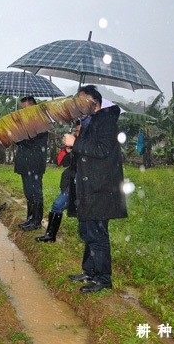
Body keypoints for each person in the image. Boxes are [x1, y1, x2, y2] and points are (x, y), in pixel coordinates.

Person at [64, 85, 127, 293]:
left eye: (82, 101)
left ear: (94, 102)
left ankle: (103, 279)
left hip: (101, 188)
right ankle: (90, 271)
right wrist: (73, 146)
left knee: (98, 233)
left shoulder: (106, 120)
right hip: (89, 187)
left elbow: (102, 150)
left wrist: (77, 143)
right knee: (87, 230)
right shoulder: (89, 122)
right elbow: (87, 153)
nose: (79, 106)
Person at [35, 121, 81, 243]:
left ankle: (51, 235)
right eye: (76, 130)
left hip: (79, 183)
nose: (77, 133)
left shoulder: (85, 145)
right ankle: (51, 235)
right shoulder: (77, 144)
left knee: (58, 205)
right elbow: (61, 162)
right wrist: (68, 150)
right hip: (72, 181)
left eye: (78, 130)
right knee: (60, 206)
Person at [14, 96, 49, 231]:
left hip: (35, 164)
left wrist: (20, 135)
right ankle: (29, 219)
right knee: (28, 193)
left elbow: (32, 141)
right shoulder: (24, 122)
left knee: (35, 192)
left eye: (26, 108)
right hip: (24, 163)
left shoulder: (41, 122)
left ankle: (36, 221)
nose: (24, 111)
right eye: (23, 109)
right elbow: (19, 141)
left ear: (33, 107)